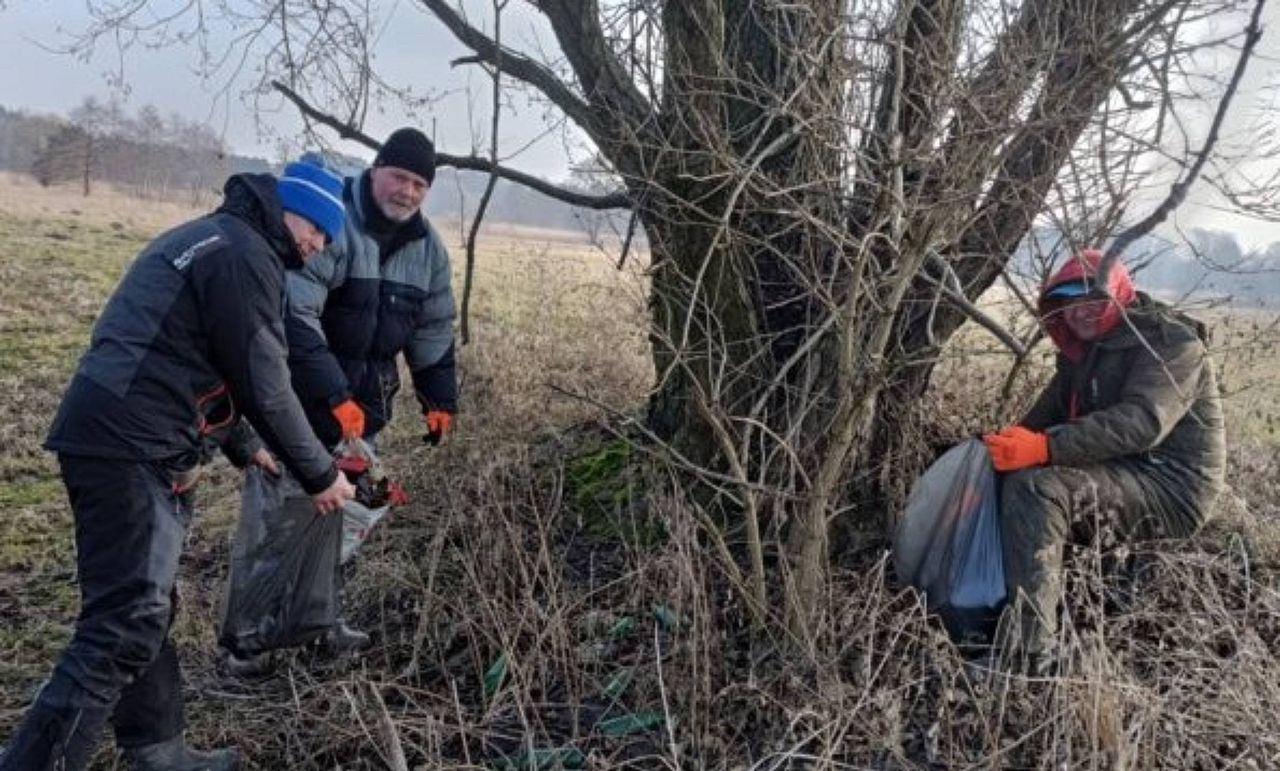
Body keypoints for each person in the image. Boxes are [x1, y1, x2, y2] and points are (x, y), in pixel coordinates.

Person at [0, 157, 357, 771]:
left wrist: (244, 446)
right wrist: (321, 474)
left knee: (146, 606)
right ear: (290, 208)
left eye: (328, 240)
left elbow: (190, 355)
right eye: (319, 230)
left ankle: (158, 751)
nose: (319, 246)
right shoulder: (245, 256)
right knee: (123, 623)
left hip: (115, 433)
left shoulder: (214, 238)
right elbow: (264, 379)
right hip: (131, 446)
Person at [256, 127, 458, 657]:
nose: (407, 192)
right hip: (298, 408)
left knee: (351, 522)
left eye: (419, 183)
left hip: (364, 419)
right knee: (280, 526)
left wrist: (440, 402)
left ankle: (321, 625)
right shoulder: (332, 223)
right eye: (399, 177)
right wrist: (332, 395)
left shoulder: (428, 251)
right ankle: (251, 640)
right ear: (375, 171)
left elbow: (434, 329)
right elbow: (293, 315)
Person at [983, 249, 1226, 673]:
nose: (1082, 311)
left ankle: (1029, 658)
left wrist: (1045, 450)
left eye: (1095, 299)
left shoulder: (1172, 343)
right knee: (1014, 472)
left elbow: (1141, 423)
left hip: (1171, 487)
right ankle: (994, 608)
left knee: (1040, 488)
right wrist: (993, 455)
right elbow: (1040, 421)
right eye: (1070, 302)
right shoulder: (1084, 353)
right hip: (1123, 471)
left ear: (1120, 294)